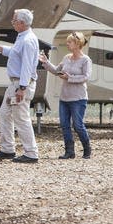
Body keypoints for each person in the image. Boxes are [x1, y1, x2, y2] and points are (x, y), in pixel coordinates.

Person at [0, 9, 40, 163]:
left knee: (21, 118)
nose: (13, 23)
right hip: (15, 83)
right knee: (4, 113)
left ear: (22, 23)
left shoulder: (28, 40)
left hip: (21, 84)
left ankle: (31, 152)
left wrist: (22, 88)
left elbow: (27, 66)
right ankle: (8, 149)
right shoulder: (22, 37)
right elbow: (16, 53)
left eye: (14, 20)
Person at [39, 31, 92, 159]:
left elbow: (86, 77)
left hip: (78, 98)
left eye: (70, 42)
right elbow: (57, 70)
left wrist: (70, 78)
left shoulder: (85, 60)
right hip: (65, 97)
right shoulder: (66, 58)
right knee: (64, 125)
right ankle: (69, 151)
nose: (67, 44)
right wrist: (46, 63)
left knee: (78, 125)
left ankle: (87, 148)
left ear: (77, 43)